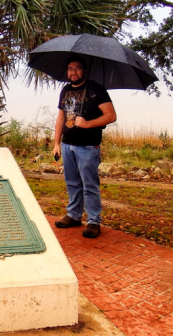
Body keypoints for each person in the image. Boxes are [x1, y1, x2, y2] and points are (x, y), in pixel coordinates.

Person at [52, 57, 117, 238]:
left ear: (84, 70)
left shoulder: (96, 89)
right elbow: (61, 118)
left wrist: (88, 123)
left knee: (89, 185)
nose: (73, 72)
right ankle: (74, 215)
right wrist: (56, 143)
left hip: (88, 146)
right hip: (67, 144)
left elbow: (111, 115)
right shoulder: (65, 90)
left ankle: (94, 221)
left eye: (77, 68)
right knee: (72, 183)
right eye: (70, 68)